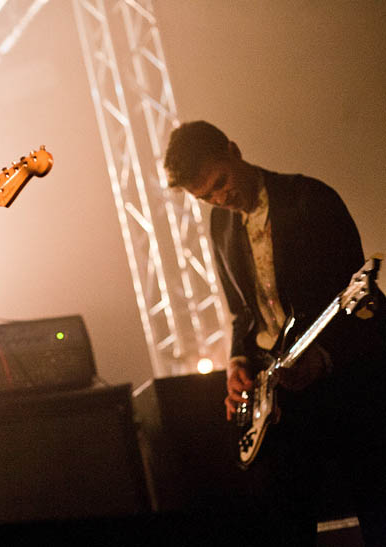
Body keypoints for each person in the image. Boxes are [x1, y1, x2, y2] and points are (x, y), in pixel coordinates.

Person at [163, 120, 386, 546]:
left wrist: (324, 358)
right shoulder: (221, 225)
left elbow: (353, 301)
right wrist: (237, 362)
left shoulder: (309, 199)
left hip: (346, 380)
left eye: (220, 183)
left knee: (375, 497)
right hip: (280, 388)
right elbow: (243, 313)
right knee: (284, 515)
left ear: (234, 148)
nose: (219, 199)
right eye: (205, 196)